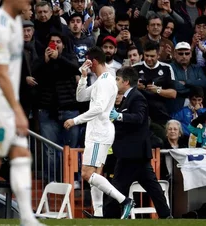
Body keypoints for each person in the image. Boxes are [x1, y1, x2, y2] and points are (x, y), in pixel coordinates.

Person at [0, 1, 45, 226]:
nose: (29, 2)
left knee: (21, 156)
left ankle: (26, 218)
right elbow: (1, 73)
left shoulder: (14, 24)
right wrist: (18, 110)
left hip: (5, 103)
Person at [63, 47, 135, 219]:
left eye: (88, 62)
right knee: (94, 175)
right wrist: (83, 77)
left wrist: (75, 120)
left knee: (87, 174)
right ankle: (99, 213)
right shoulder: (102, 80)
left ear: (93, 61)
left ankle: (124, 200)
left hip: (99, 133)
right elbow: (81, 97)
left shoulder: (104, 82)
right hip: (98, 132)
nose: (87, 65)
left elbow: (99, 108)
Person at [103, 66, 171, 219]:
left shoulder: (137, 97)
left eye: (117, 79)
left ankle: (109, 216)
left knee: (118, 186)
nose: (115, 82)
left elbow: (139, 118)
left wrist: (119, 116)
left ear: (126, 81)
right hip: (134, 152)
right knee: (152, 187)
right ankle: (166, 215)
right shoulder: (130, 97)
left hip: (132, 153)